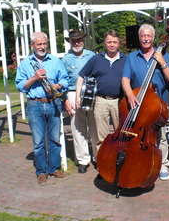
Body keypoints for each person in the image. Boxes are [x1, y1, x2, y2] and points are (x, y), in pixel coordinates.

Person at [121, 24, 169, 181]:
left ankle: (162, 164)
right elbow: (125, 79)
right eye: (143, 36)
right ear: (139, 38)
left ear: (153, 38)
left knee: (161, 137)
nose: (146, 38)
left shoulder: (163, 54)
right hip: (138, 105)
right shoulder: (131, 57)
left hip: (158, 105)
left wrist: (162, 63)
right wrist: (130, 94)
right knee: (139, 137)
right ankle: (142, 163)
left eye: (148, 36)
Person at [15, 32, 69, 186]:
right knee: (38, 142)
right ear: (32, 45)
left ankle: (54, 168)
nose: (43, 47)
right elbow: (20, 86)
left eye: (45, 44)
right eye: (39, 44)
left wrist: (57, 86)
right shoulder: (26, 64)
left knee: (54, 139)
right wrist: (34, 78)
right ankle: (41, 172)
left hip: (53, 102)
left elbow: (65, 79)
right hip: (35, 104)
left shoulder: (55, 61)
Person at [76, 30, 126, 162]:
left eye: (114, 42)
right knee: (100, 136)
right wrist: (77, 96)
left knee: (120, 133)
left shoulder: (125, 59)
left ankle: (119, 161)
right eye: (109, 42)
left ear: (119, 44)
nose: (112, 45)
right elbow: (81, 76)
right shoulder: (96, 59)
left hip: (118, 101)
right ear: (105, 43)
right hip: (100, 101)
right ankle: (102, 162)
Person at [61, 30, 96, 174]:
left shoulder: (92, 56)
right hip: (72, 92)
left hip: (91, 91)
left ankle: (98, 157)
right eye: (73, 40)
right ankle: (83, 160)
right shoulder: (65, 59)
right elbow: (62, 80)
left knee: (95, 126)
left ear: (83, 40)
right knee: (77, 128)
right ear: (69, 42)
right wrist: (65, 100)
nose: (77, 42)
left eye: (79, 39)